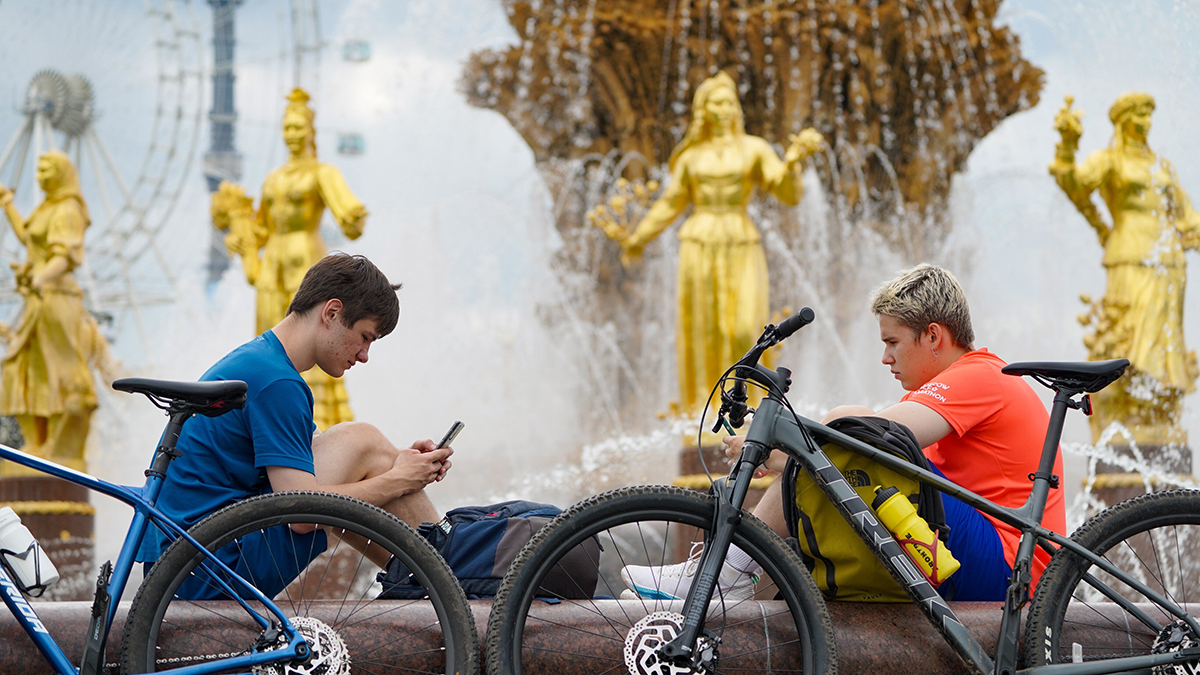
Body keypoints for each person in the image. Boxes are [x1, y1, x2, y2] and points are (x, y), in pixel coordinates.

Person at [622, 264, 1066, 602]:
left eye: (893, 342)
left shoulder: (981, 375)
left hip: (1012, 568)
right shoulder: (972, 379)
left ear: (933, 336)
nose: (885, 358)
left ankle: (729, 569)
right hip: (991, 558)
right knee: (835, 445)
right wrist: (790, 453)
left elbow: (868, 439)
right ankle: (734, 571)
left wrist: (777, 450)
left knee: (848, 422)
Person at [136, 253, 452, 599]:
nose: (364, 355)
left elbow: (321, 462)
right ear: (331, 313)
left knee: (368, 449)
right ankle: (448, 581)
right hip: (211, 565)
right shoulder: (277, 382)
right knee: (362, 441)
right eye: (365, 337)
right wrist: (397, 479)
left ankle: (428, 580)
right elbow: (301, 512)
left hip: (192, 559)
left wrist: (403, 463)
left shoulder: (260, 361)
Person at [615, 71, 823, 420]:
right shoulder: (690, 156)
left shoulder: (754, 149)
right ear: (704, 109)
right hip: (698, 241)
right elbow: (670, 203)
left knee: (744, 327)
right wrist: (638, 237)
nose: (725, 109)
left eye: (729, 102)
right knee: (704, 330)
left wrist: (793, 162)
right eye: (717, 102)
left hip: (741, 239)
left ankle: (756, 409)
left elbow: (787, 194)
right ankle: (704, 408)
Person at [213, 88, 369, 430]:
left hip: (306, 261)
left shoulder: (322, 173)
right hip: (273, 267)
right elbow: (262, 229)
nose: (292, 135)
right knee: (272, 340)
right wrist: (242, 233)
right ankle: (266, 410)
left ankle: (318, 418)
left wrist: (353, 216)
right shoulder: (273, 179)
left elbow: (346, 208)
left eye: (298, 127)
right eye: (288, 128)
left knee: (316, 336)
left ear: (310, 130)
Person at [1049, 92, 1200, 446]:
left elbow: (1187, 216)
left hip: (1169, 263)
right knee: (1129, 332)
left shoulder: (1162, 166)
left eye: (1150, 114)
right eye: (1139, 114)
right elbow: (1073, 183)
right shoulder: (1110, 160)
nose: (1146, 122)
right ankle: (1123, 409)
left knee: (1164, 340)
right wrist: (1068, 145)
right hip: (1129, 257)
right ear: (1122, 120)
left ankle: (1156, 411)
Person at [0, 151, 98, 475]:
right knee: (22, 366)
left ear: (63, 173)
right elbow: (30, 238)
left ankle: (59, 444)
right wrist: (8, 205)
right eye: (38, 168)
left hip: (57, 298)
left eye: (47, 169)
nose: (40, 174)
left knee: (60, 367)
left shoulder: (68, 210)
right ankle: (35, 441)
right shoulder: (47, 208)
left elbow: (64, 256)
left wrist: (39, 277)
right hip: (38, 298)